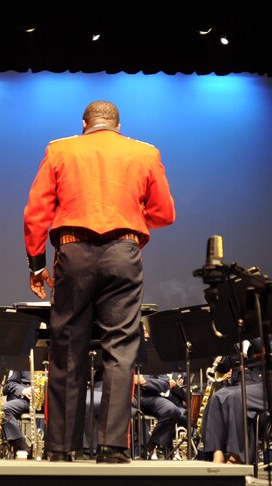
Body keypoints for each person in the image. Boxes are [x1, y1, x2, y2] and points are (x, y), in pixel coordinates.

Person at [23, 100, 176, 463]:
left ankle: (61, 448)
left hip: (73, 253)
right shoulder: (146, 153)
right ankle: (113, 447)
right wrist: (130, 216)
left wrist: (36, 264)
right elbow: (165, 213)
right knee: (120, 350)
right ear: (118, 125)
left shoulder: (59, 149)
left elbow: (35, 214)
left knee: (67, 348)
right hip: (124, 253)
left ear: (84, 124)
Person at [200, 333, 272, 465]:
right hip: (238, 383)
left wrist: (249, 331)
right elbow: (224, 367)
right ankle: (217, 454)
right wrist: (224, 344)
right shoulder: (235, 330)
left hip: (268, 384)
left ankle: (238, 456)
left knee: (236, 398)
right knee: (216, 398)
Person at [1, 368, 46, 458]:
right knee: (3, 409)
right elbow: (10, 383)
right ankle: (21, 446)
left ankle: (48, 450)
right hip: (27, 400)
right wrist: (23, 390)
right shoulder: (22, 361)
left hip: (49, 401)